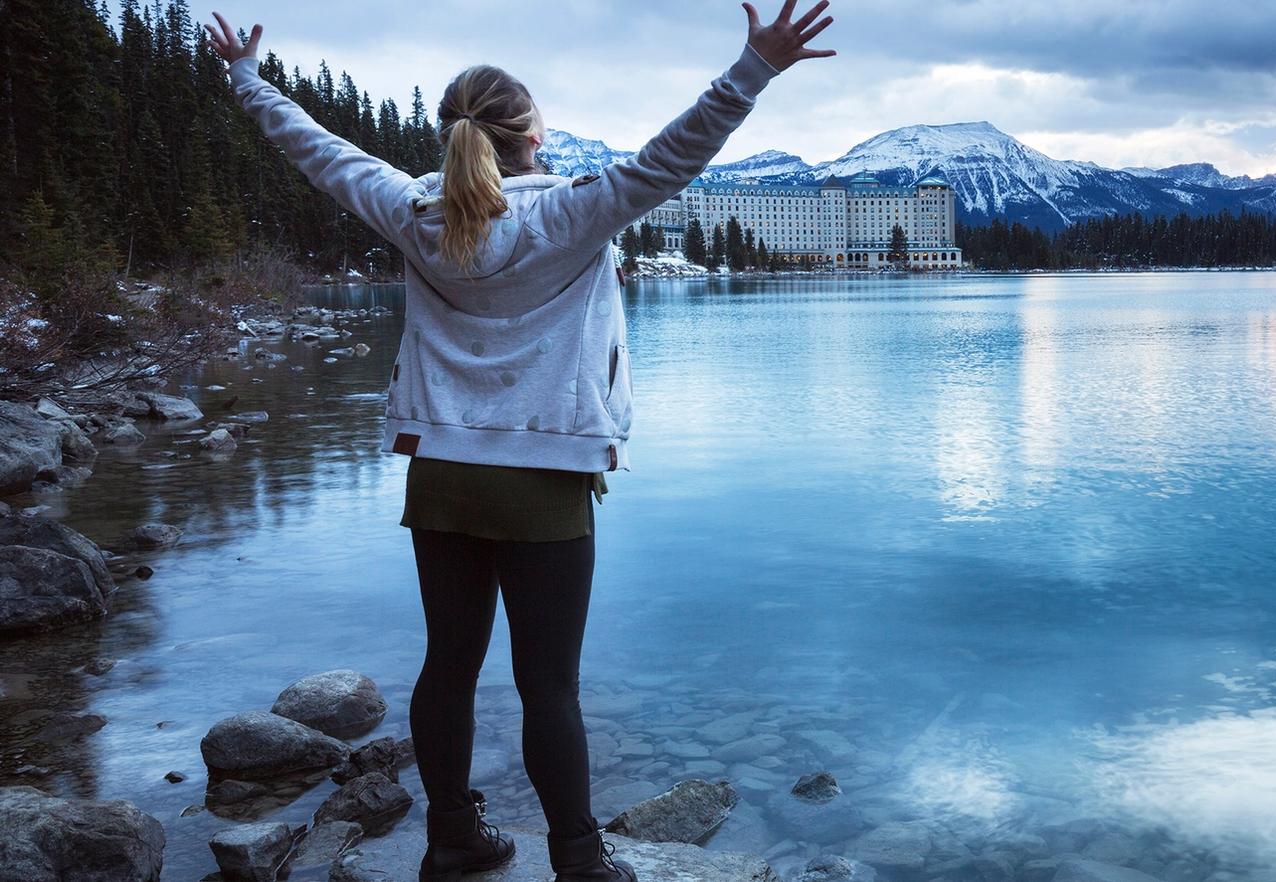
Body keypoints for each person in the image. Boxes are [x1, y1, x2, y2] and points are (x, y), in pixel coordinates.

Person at [203, 5, 835, 880]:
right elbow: (673, 155)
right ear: (534, 135)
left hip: (442, 475)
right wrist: (753, 69)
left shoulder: (410, 211)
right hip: (543, 478)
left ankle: (451, 839)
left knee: (448, 668)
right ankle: (577, 857)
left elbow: (320, 152)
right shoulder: (570, 215)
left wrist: (246, 79)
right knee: (550, 687)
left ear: (451, 135)